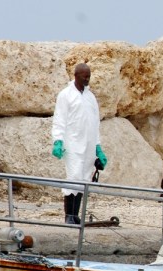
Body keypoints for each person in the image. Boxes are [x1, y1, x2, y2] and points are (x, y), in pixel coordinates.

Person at [51, 63, 107, 224]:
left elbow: (95, 124)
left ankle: (76, 215)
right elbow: (59, 119)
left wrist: (98, 147)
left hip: (89, 144)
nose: (87, 79)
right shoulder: (66, 95)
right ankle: (69, 215)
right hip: (73, 143)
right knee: (74, 176)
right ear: (76, 76)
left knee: (84, 179)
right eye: (85, 76)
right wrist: (58, 140)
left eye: (89, 76)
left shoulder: (90, 97)